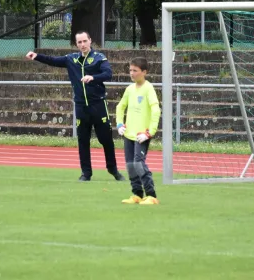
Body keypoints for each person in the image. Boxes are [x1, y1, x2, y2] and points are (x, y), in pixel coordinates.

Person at [25, 30, 125, 182]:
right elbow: (53, 60)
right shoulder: (71, 59)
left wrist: (93, 77)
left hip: (98, 105)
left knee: (106, 139)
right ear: (76, 44)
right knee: (83, 140)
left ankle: (113, 169)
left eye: (85, 41)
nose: (83, 44)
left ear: (90, 40)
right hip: (81, 106)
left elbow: (108, 74)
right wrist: (37, 56)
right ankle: (86, 173)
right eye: (79, 42)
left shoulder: (99, 58)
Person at [116, 57, 161, 205]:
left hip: (142, 135)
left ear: (144, 72)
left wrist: (150, 132)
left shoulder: (149, 88)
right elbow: (120, 106)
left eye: (135, 70)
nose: (132, 73)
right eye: (130, 70)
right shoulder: (129, 89)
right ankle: (136, 194)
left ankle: (151, 195)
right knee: (130, 165)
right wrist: (119, 124)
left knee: (138, 164)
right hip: (129, 134)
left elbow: (156, 110)